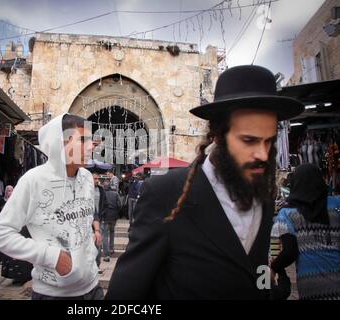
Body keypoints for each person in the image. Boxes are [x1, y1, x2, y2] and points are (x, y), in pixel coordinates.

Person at [105, 65, 305, 300]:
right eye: (249, 140)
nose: (262, 154)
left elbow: (257, 268)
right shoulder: (166, 194)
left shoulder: (263, 197)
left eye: (269, 141)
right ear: (219, 135)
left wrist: (266, 292)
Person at [0, 114, 104, 300]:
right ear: (61, 143)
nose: (92, 146)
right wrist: (51, 256)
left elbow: (83, 221)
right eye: (83, 139)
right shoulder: (33, 180)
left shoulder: (87, 178)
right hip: (54, 295)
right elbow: (0, 234)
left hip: (93, 289)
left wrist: (90, 250)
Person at [271, 164, 340, 300]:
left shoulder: (287, 215)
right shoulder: (337, 205)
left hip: (310, 285)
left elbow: (289, 252)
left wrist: (274, 268)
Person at [101, 182, 121, 262]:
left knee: (105, 234)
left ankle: (107, 252)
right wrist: (116, 211)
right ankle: (112, 248)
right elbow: (119, 204)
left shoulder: (102, 194)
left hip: (105, 216)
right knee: (112, 232)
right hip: (114, 216)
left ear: (104, 186)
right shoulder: (115, 193)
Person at [0, 185, 13, 263]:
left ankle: (6, 258)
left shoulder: (15, 201)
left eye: (11, 190)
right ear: (5, 191)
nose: (9, 192)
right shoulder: (1, 200)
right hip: (1, 222)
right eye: (8, 190)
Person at [92, 173, 106, 274]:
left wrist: (102, 216)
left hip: (98, 219)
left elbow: (105, 203)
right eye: (95, 178)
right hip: (87, 220)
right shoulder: (85, 189)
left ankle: (97, 265)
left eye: (98, 178)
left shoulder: (101, 190)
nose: (97, 180)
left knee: (98, 243)